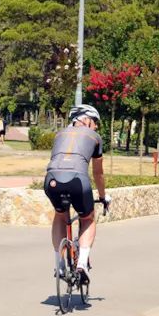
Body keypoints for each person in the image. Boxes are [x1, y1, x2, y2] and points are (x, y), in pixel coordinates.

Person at [44, 104, 107, 282]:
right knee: (87, 219)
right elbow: (98, 174)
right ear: (86, 120)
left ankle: (59, 263)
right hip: (78, 180)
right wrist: (102, 197)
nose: (95, 127)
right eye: (95, 123)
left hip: (52, 180)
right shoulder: (95, 137)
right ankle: (81, 263)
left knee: (60, 216)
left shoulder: (59, 134)